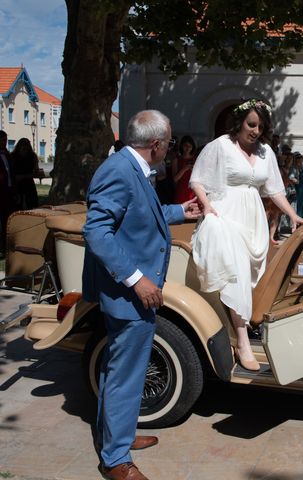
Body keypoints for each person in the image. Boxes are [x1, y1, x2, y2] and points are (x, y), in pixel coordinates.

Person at [82, 110, 201, 480]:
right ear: (156, 144)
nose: (168, 147)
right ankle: (115, 459)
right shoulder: (119, 171)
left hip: (133, 293)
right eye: (167, 142)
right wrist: (137, 279)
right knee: (124, 374)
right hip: (129, 294)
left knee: (122, 371)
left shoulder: (132, 167)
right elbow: (96, 231)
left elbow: (141, 215)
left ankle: (118, 435)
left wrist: (180, 211)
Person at [189, 99, 303, 371]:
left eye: (260, 126)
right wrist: (207, 206)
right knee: (236, 274)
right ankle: (243, 342)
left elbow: (274, 190)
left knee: (247, 272)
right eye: (251, 124)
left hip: (253, 219)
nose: (255, 131)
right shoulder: (221, 146)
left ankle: (239, 327)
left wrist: (293, 216)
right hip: (225, 215)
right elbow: (197, 179)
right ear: (240, 122)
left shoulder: (266, 152)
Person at [10, 138, 39, 210]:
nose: (25, 148)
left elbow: (36, 170)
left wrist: (34, 173)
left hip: (29, 183)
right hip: (18, 184)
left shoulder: (32, 156)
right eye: (23, 146)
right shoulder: (13, 156)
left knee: (30, 204)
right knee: (18, 204)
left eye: (27, 146)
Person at [172, 135, 197, 203]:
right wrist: (184, 169)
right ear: (182, 146)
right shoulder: (176, 160)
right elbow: (175, 179)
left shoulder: (195, 159)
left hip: (193, 189)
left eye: (190, 146)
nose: (187, 148)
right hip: (181, 190)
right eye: (185, 145)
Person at [0, 130, 12, 255]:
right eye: (2, 140)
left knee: (6, 220)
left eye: (5, 140)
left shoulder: (8, 155)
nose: (4, 143)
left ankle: (5, 246)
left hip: (8, 191)